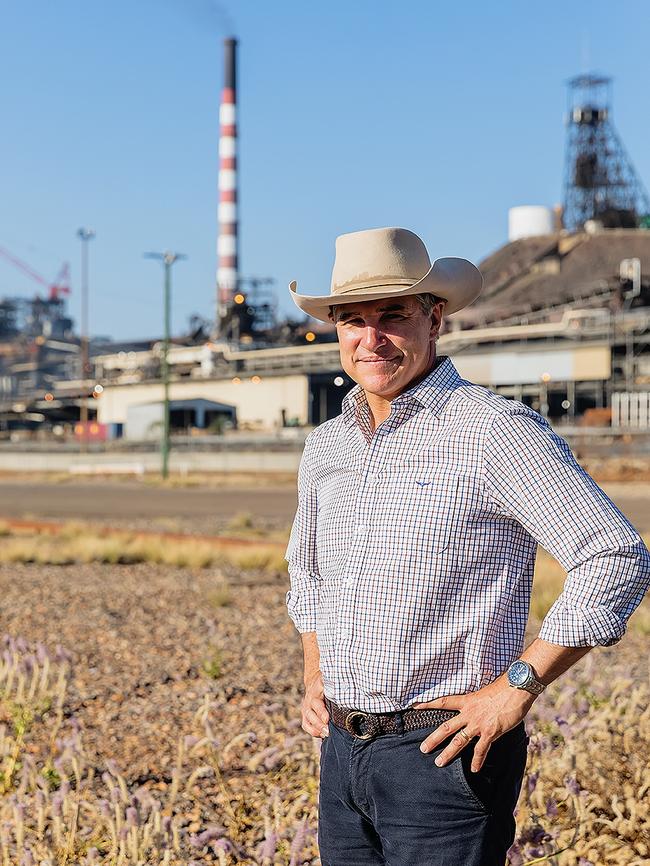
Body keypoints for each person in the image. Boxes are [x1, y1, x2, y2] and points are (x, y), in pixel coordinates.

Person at [284, 226, 650, 866]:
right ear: (335, 330)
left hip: (443, 757)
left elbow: (614, 557)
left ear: (435, 320)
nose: (371, 339)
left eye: (392, 316)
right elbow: (310, 575)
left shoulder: (492, 430)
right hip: (341, 751)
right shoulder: (327, 447)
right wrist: (316, 671)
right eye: (353, 320)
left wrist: (516, 687)